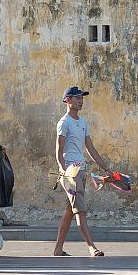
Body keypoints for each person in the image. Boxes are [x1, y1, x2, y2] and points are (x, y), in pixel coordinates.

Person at [53, 86, 115, 258]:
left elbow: (91, 149)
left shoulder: (82, 123)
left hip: (81, 171)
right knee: (80, 210)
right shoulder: (63, 123)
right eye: (77, 98)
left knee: (70, 211)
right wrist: (64, 170)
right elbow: (59, 150)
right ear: (68, 100)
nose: (81, 101)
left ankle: (58, 249)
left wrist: (106, 169)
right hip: (71, 174)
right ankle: (91, 247)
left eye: (81, 98)